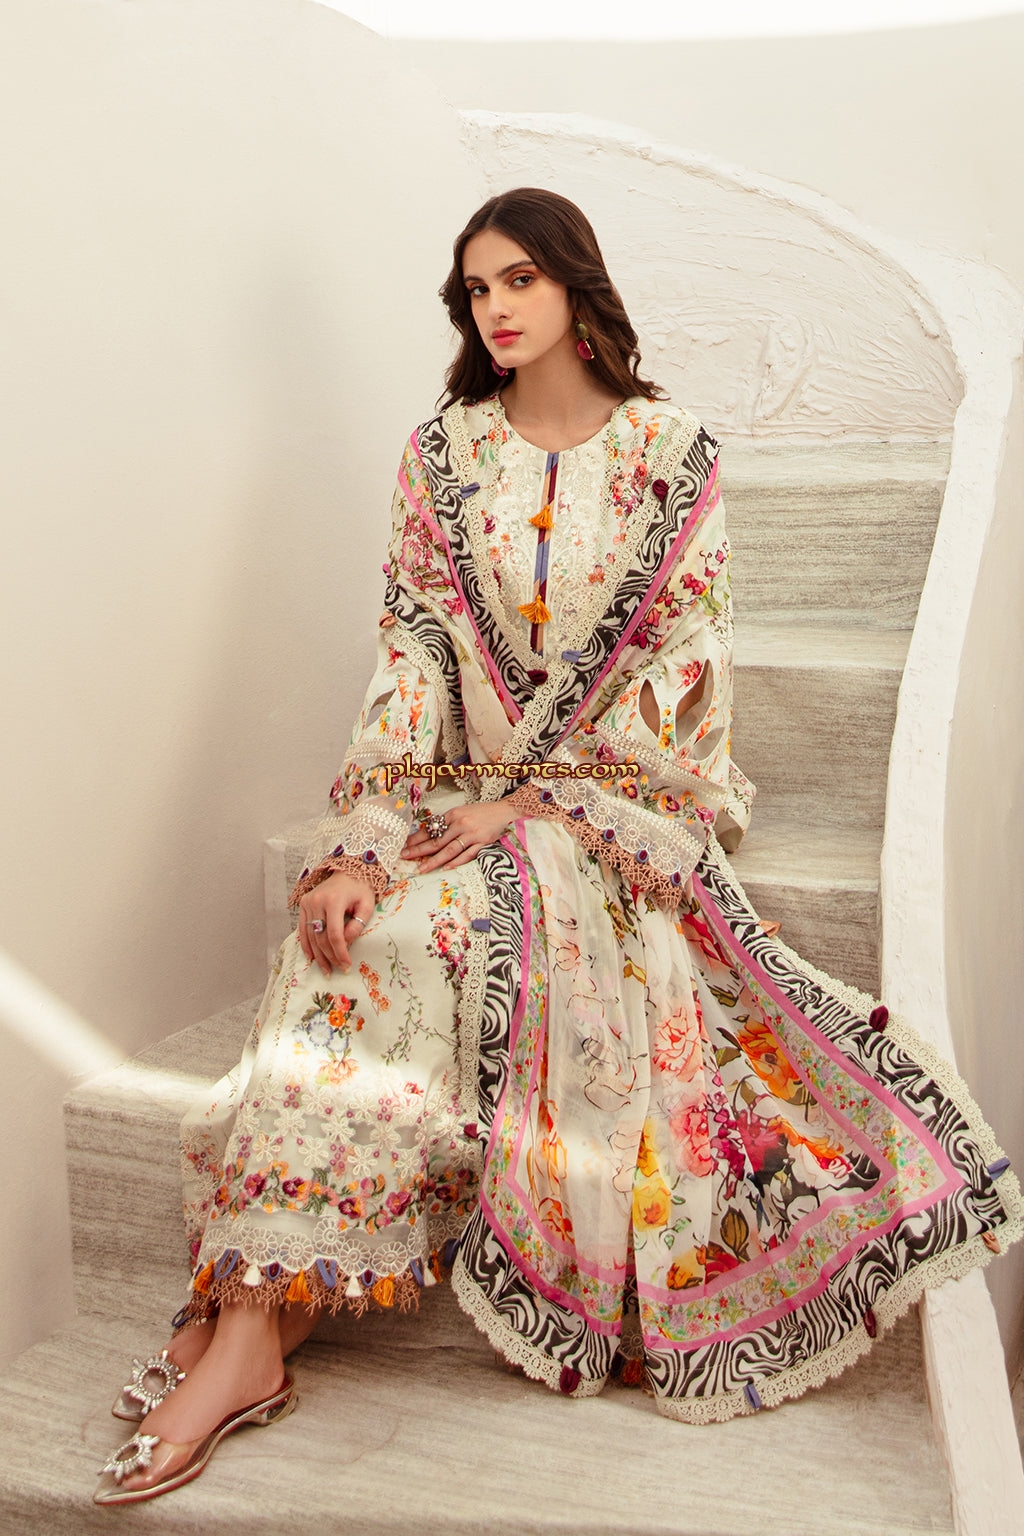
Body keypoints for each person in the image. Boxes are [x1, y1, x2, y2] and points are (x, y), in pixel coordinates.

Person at [95, 188, 1021, 1503]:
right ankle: (256, 1313)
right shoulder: (444, 457)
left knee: (413, 942)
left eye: (520, 278)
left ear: (578, 286)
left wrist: (535, 806)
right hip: (450, 797)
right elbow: (416, 653)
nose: (498, 307)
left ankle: (250, 1325)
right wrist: (363, 838)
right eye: (478, 289)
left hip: (610, 820)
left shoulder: (670, 456)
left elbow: (687, 665)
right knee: (342, 933)